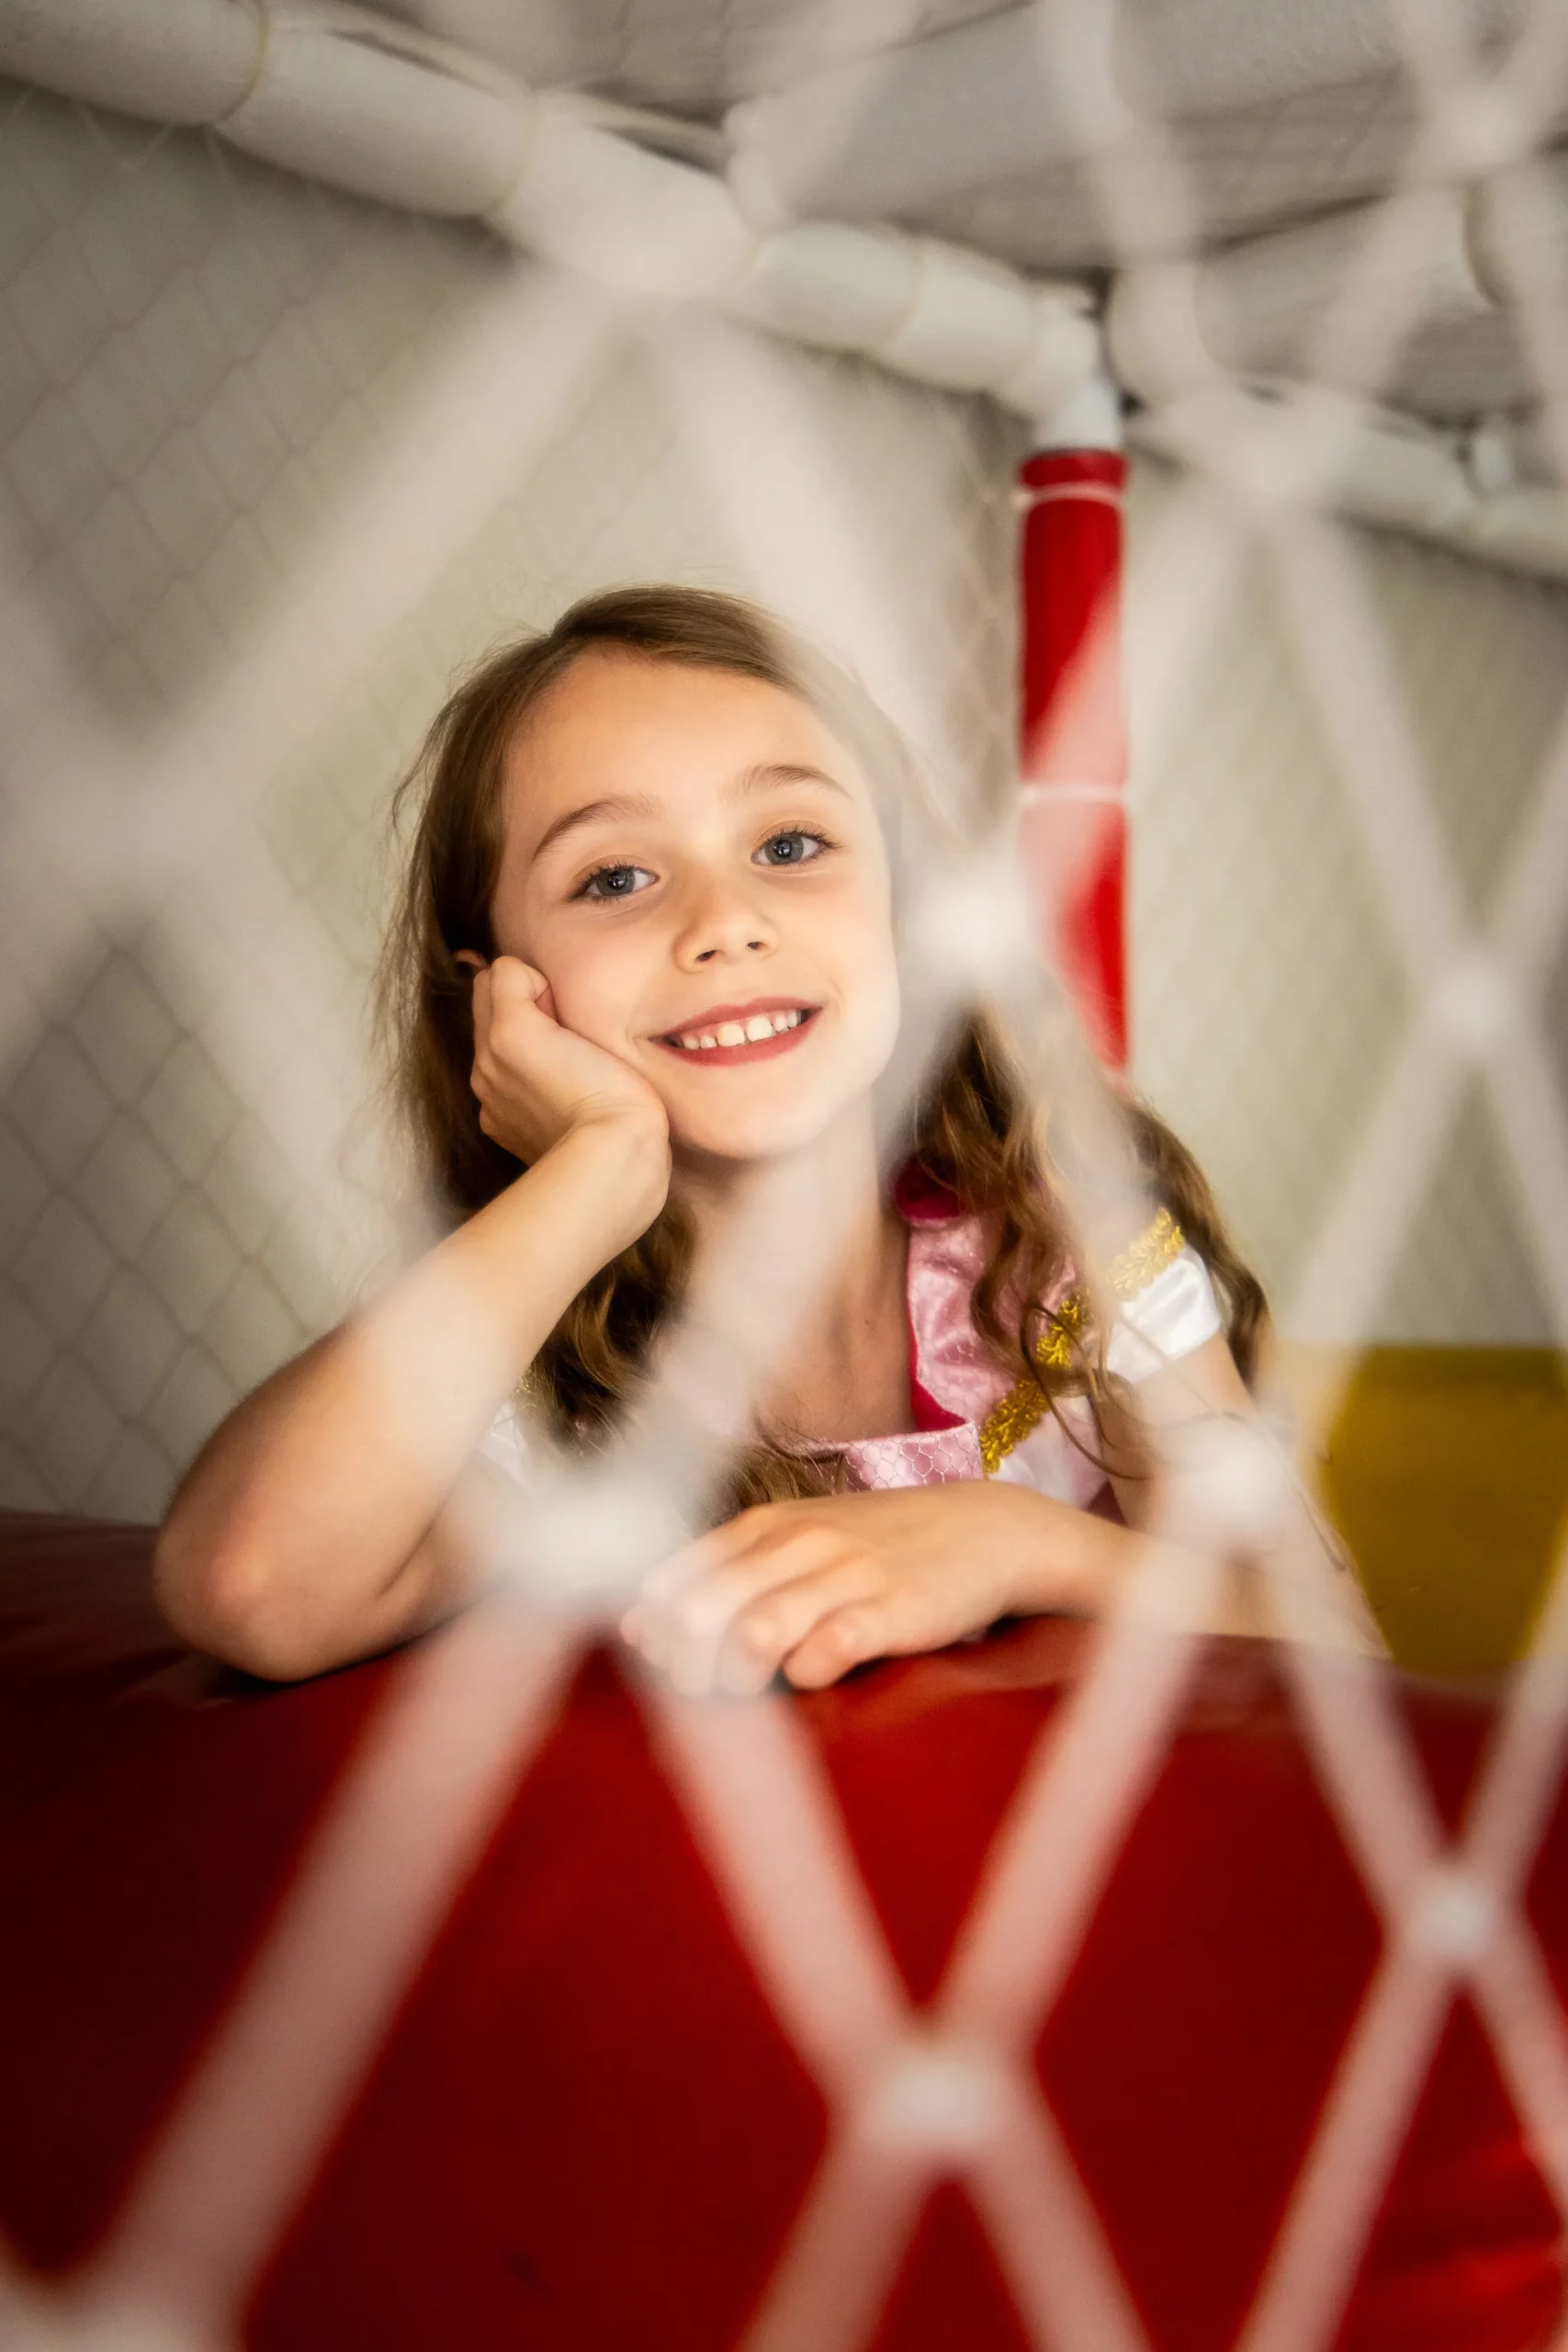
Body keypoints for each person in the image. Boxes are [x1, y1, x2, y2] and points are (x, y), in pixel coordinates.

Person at [153, 586, 1378, 1686]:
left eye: (790, 846)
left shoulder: (1073, 1239)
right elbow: (250, 1585)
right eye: (615, 878)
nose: (725, 921)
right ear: (503, 1000)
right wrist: (594, 1168)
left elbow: (1330, 1635)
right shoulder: (540, 1391)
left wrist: (1020, 1544)